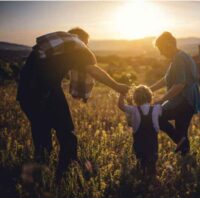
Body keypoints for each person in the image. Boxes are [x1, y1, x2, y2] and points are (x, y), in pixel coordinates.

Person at [16, 27, 129, 181]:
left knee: (42, 135)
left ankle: (39, 178)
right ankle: (65, 176)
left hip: (25, 94)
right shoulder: (78, 47)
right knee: (67, 134)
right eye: (87, 43)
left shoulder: (56, 47)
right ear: (83, 40)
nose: (87, 47)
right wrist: (118, 86)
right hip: (46, 91)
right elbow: (93, 70)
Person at [150, 32, 200, 155]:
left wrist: (161, 100)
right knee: (181, 132)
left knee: (156, 115)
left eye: (161, 49)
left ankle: (182, 145)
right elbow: (166, 79)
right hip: (189, 100)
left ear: (168, 45)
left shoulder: (178, 58)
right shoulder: (180, 56)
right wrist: (149, 89)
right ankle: (186, 160)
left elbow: (180, 84)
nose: (161, 53)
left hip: (184, 100)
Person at [118, 85, 161, 176]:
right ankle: (152, 179)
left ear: (135, 98)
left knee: (141, 163)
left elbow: (121, 105)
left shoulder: (133, 109)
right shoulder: (156, 108)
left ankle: (142, 180)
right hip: (153, 143)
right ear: (150, 96)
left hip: (139, 143)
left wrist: (122, 93)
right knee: (152, 163)